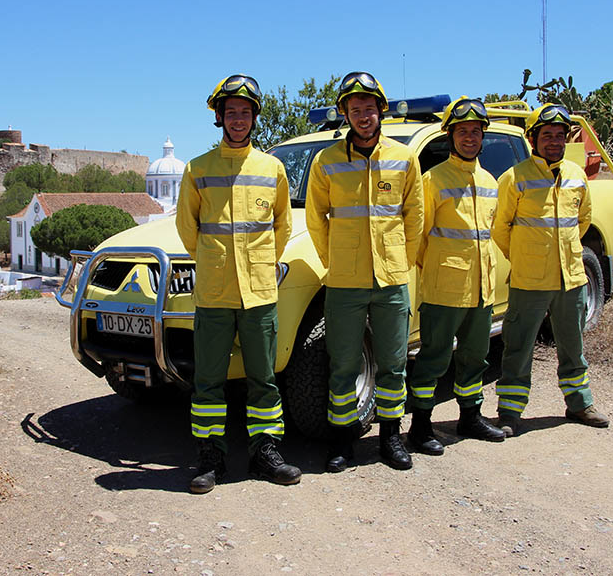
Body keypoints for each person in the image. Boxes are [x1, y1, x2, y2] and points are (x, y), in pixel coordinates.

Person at [176, 74, 301, 494]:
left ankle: (265, 452)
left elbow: (282, 226)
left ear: (254, 118)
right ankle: (211, 458)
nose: (238, 120)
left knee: (263, 378)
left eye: (245, 113)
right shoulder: (198, 169)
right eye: (231, 113)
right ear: (219, 117)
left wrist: (263, 263)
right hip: (214, 293)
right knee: (209, 380)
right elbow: (187, 229)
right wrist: (214, 263)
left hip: (261, 292)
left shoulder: (272, 168)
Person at [305, 71, 423, 472]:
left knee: (393, 362)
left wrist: (400, 260)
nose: (363, 115)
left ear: (380, 110)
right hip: (344, 281)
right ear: (345, 114)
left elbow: (415, 216)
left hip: (391, 280)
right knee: (343, 364)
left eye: (369, 108)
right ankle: (343, 442)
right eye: (354, 109)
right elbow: (316, 219)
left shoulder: (404, 158)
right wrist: (334, 260)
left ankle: (391, 438)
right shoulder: (327, 161)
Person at [491, 103, 609, 437]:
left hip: (571, 277)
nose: (554, 141)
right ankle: (510, 413)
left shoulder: (575, 175)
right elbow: (501, 228)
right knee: (518, 346)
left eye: (559, 135)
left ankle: (579, 403)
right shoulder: (514, 178)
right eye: (547, 135)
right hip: (529, 279)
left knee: (573, 345)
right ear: (533, 139)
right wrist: (526, 257)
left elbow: (582, 220)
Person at [409, 97, 507, 454]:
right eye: (462, 131)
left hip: (482, 289)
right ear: (449, 135)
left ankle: (470, 417)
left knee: (475, 357)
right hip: (444, 290)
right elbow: (418, 238)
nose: (469, 138)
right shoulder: (432, 180)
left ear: (483, 136)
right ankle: (420, 426)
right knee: (433, 359)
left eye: (475, 131)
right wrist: (439, 270)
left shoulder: (489, 180)